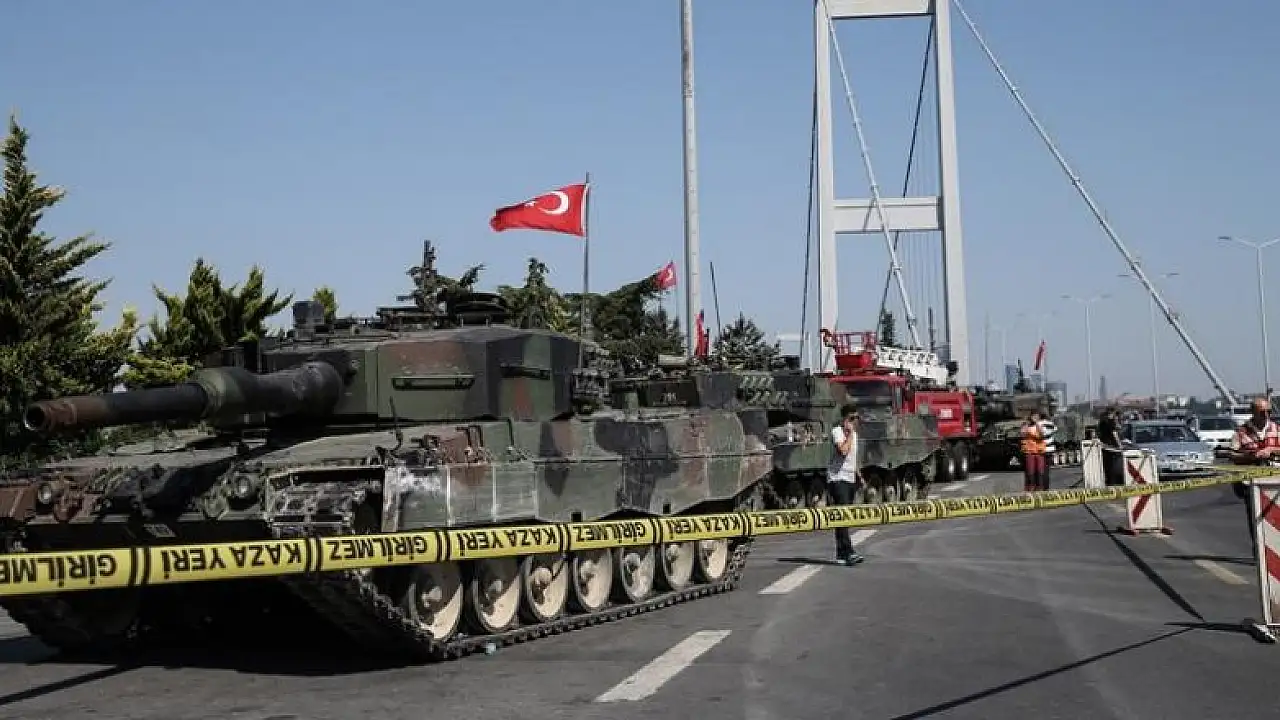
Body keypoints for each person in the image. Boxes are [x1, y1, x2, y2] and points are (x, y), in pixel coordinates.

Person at [1227, 397, 1280, 556]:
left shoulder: (1276, 429)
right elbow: (1232, 455)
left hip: (1274, 481)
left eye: (1269, 411)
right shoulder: (1242, 432)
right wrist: (1252, 456)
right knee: (1256, 517)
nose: (1266, 415)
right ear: (1253, 413)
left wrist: (1271, 450)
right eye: (1262, 412)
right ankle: (1259, 549)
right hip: (1251, 483)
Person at [828, 405, 866, 566]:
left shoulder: (854, 435)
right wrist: (849, 434)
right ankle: (849, 552)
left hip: (849, 478)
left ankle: (841, 553)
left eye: (856, 418)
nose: (854, 421)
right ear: (844, 419)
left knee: (844, 517)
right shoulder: (837, 432)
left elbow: (852, 458)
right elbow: (843, 451)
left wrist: (859, 476)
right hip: (838, 478)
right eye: (851, 418)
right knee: (843, 515)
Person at [1096, 408, 1125, 486]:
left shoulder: (1102, 423)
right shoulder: (1110, 422)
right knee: (1113, 467)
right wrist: (1120, 445)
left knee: (1107, 467)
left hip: (1105, 448)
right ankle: (1113, 483)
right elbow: (1114, 434)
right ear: (1112, 413)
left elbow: (1099, 434)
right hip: (1112, 448)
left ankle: (1108, 482)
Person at [1021, 412, 1047, 491]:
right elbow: (1022, 434)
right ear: (1030, 417)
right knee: (1030, 470)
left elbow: (1042, 435)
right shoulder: (1026, 425)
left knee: (1040, 470)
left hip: (1039, 452)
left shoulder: (1041, 425)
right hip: (1029, 451)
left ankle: (1040, 487)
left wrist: (1037, 424)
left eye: (1037, 416)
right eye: (1033, 416)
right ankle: (1031, 487)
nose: (1035, 418)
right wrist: (1026, 424)